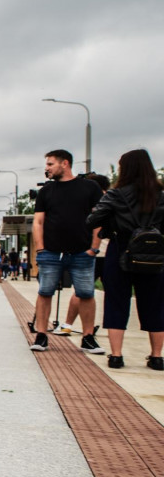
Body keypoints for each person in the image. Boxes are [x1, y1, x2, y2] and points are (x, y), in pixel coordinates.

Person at [86, 149, 164, 370]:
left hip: (120, 250)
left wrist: (111, 219)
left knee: (116, 302)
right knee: (155, 304)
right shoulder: (161, 195)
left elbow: (92, 221)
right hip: (154, 255)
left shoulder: (115, 194)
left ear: (125, 169)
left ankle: (117, 356)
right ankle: (157, 357)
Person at [30, 149, 104, 354]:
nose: (47, 168)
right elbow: (38, 221)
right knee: (45, 292)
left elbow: (98, 218)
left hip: (82, 252)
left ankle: (88, 337)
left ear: (65, 164)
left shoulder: (89, 187)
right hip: (51, 253)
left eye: (50, 164)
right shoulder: (46, 191)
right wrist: (41, 248)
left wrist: (94, 247)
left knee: (86, 293)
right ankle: (42, 335)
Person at [52, 173, 112, 336]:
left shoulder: (96, 201)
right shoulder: (112, 200)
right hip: (108, 254)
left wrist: (91, 248)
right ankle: (109, 328)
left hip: (94, 253)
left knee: (80, 292)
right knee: (108, 294)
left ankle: (67, 325)